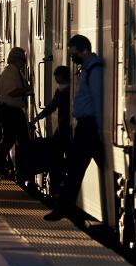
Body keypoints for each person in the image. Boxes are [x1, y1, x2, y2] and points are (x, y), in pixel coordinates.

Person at [44, 35, 104, 221]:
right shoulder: (87, 69)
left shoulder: (94, 69)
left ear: (84, 50)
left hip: (89, 127)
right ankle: (65, 208)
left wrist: (101, 131)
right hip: (85, 126)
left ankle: (62, 209)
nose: (71, 57)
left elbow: (97, 99)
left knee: (75, 168)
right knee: (77, 168)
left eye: (73, 53)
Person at [31, 65, 71, 197]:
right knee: (56, 156)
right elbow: (52, 107)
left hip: (66, 129)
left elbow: (52, 107)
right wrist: (38, 118)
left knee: (56, 156)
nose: (56, 80)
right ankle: (56, 188)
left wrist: (37, 117)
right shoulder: (61, 90)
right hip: (63, 128)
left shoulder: (68, 90)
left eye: (57, 77)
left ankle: (57, 188)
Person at [0, 47, 32, 179]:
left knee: (18, 139)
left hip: (14, 111)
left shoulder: (15, 72)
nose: (24, 62)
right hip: (10, 111)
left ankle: (21, 169)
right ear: (17, 60)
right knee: (11, 139)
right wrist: (27, 90)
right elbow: (12, 92)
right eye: (22, 59)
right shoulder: (10, 73)